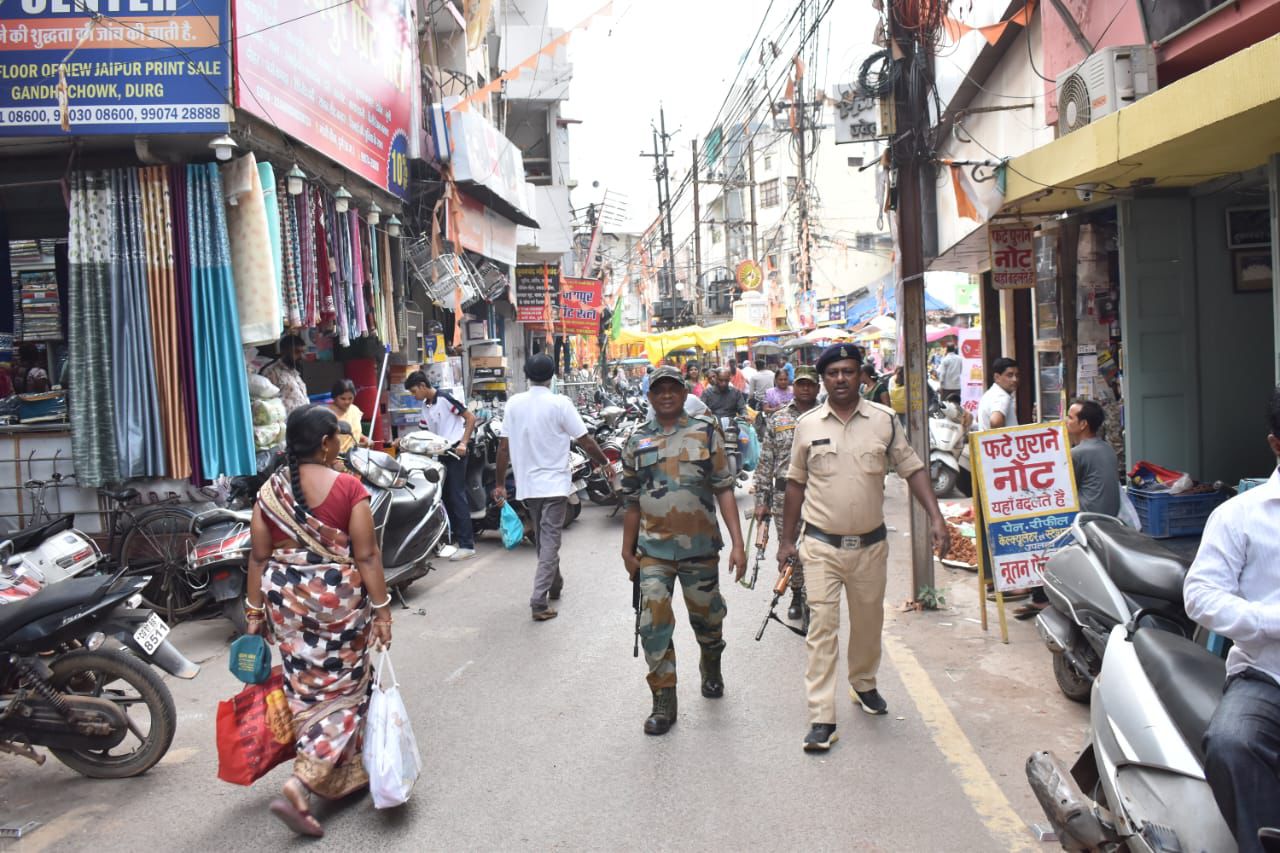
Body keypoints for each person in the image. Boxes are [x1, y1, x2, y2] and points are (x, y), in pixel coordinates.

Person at [777, 344, 949, 752]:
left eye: (848, 371)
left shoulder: (884, 420)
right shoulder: (806, 425)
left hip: (870, 546)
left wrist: (936, 516)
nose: (840, 378)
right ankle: (822, 716)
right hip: (820, 545)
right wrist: (786, 540)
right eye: (833, 372)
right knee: (822, 628)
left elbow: (912, 469)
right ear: (824, 379)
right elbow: (795, 484)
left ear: (860, 376)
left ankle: (863, 682)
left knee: (868, 623)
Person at [244, 405, 393, 838]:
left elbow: (259, 557)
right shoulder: (348, 487)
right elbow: (367, 555)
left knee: (305, 689)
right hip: (337, 609)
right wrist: (383, 610)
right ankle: (303, 783)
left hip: (286, 606)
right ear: (327, 442)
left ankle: (342, 775)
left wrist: (253, 613)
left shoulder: (269, 492)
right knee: (346, 693)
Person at [620, 365, 747, 735]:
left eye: (672, 389)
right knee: (652, 624)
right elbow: (631, 502)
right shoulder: (637, 440)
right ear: (650, 396)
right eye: (658, 390)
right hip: (654, 551)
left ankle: (711, 664)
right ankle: (663, 700)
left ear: (683, 393)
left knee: (708, 620)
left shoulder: (705, 432)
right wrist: (627, 552)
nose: (666, 395)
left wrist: (738, 544)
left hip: (700, 548)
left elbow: (724, 488)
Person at [1183, 386, 1280, 853]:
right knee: (1231, 744)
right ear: (1276, 444)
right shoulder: (1239, 516)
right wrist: (1269, 621)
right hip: (1267, 676)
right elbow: (1200, 595)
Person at [494, 355, 609, 622]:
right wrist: (604, 462)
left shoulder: (514, 404)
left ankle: (554, 584)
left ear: (526, 374)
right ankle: (538, 601)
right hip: (555, 484)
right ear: (552, 376)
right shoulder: (560, 403)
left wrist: (500, 483)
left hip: (528, 485)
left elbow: (503, 448)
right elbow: (585, 440)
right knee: (548, 542)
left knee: (544, 540)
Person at [1016, 399, 1121, 620]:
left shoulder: (1079, 453)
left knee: (1035, 531)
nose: (1065, 420)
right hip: (1108, 518)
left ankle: (1040, 596)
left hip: (1084, 520)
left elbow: (1061, 489)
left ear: (1083, 424)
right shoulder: (1105, 448)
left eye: (1070, 417)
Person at [755, 365, 820, 621]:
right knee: (790, 546)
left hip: (820, 494)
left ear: (817, 387)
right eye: (801, 384)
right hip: (784, 497)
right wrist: (762, 500)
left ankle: (813, 597)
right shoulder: (778, 419)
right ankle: (795, 593)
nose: (805, 389)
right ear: (794, 387)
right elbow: (765, 462)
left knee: (817, 548)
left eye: (810, 384)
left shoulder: (827, 417)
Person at [404, 370, 476, 561]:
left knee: (457, 496)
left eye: (414, 391)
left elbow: (470, 417)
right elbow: (424, 433)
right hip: (441, 455)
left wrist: (463, 443)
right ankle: (451, 539)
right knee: (443, 497)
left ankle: (467, 545)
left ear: (422, 386)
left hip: (456, 452)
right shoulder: (425, 406)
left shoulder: (444, 399)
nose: (414, 396)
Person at [261, 333, 310, 414]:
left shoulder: (294, 371)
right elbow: (267, 403)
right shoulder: (271, 372)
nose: (302, 356)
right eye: (297, 352)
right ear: (284, 352)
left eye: (303, 352)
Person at [327, 380, 368, 455]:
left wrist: (364, 438)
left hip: (355, 456)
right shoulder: (327, 414)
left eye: (350, 398)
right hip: (336, 457)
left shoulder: (355, 410)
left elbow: (355, 431)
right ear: (335, 397)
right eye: (343, 398)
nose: (347, 402)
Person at [977, 357, 1019, 430]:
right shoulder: (1001, 396)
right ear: (997, 377)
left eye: (1017, 375)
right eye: (1010, 375)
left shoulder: (990, 394)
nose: (1015, 379)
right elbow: (995, 422)